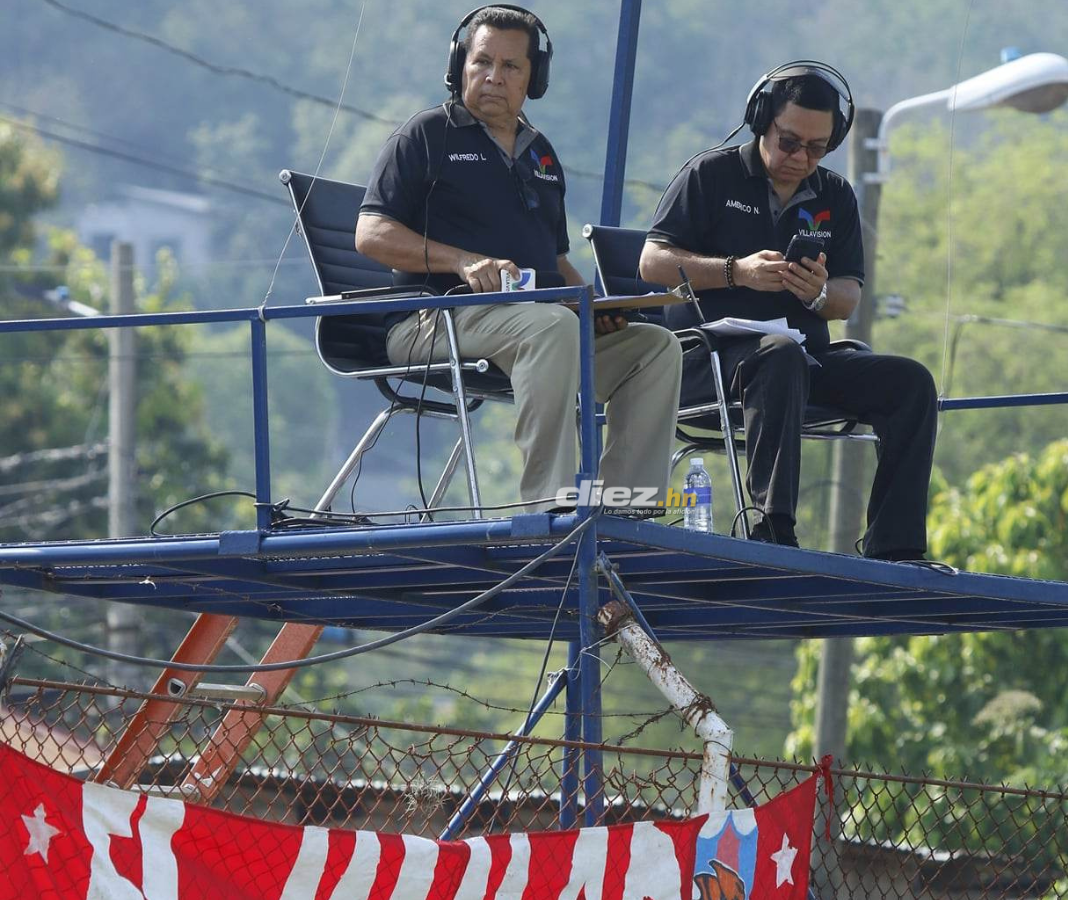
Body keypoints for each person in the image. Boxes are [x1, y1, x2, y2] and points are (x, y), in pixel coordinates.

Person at [356, 6, 681, 510]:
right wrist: (461, 261)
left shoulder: (541, 154)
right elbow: (371, 234)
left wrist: (591, 305)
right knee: (552, 328)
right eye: (482, 62)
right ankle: (552, 508)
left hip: (538, 325)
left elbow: (555, 259)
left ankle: (627, 508)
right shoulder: (424, 135)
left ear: (535, 78)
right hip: (433, 320)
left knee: (656, 348)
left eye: (510, 66)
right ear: (459, 65)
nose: (493, 77)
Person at [639, 62, 937, 559]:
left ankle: (895, 548)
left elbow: (848, 296)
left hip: (803, 361)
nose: (800, 158)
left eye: (817, 148)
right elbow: (652, 262)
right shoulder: (709, 175)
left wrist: (818, 294)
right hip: (710, 362)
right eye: (790, 142)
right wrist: (736, 271)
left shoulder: (836, 195)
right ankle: (774, 532)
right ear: (762, 121)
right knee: (778, 355)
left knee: (911, 382)